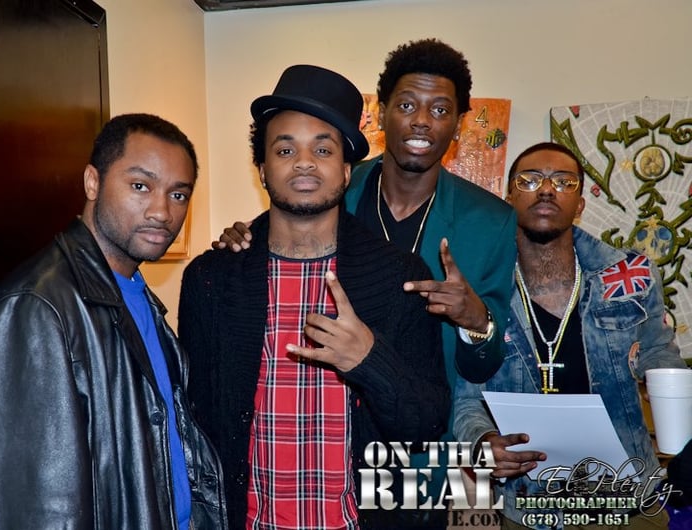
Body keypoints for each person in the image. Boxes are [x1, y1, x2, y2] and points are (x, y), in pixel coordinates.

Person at [211, 39, 518, 528]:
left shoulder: (492, 221)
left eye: (440, 110)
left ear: (458, 124)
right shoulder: (333, 184)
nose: (422, 121)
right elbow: (280, 231)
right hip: (335, 440)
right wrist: (240, 241)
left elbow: (486, 365)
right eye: (407, 105)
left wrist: (475, 319)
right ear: (382, 116)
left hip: (444, 445)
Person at [177, 64, 451, 530]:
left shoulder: (399, 277)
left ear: (345, 170)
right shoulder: (213, 279)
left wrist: (369, 360)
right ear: (262, 170)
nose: (304, 163)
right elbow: (194, 421)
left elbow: (427, 422)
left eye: (323, 149)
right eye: (285, 150)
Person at [0, 113, 228, 530]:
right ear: (92, 182)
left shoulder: (136, 295)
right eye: (140, 186)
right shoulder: (35, 308)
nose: (162, 211)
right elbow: (32, 509)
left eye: (178, 194)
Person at [452, 141, 688, 530]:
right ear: (509, 198)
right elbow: (465, 398)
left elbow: (659, 352)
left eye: (563, 181)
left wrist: (663, 379)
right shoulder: (479, 290)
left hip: (626, 500)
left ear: (580, 204)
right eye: (530, 180)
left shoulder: (629, 276)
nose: (547, 190)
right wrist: (483, 442)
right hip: (528, 507)